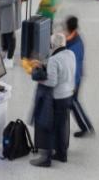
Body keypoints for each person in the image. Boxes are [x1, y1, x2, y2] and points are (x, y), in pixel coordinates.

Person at [30, 33, 76, 167]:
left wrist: (38, 75)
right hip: (68, 95)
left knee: (50, 127)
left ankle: (46, 158)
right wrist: (46, 66)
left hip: (57, 98)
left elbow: (51, 82)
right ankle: (62, 154)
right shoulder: (70, 54)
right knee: (62, 126)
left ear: (53, 45)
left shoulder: (54, 60)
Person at [64, 16, 94, 138]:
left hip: (74, 80)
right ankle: (85, 126)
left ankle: (87, 127)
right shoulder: (73, 38)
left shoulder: (75, 46)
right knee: (72, 103)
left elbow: (76, 67)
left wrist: (74, 85)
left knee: (73, 102)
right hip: (72, 78)